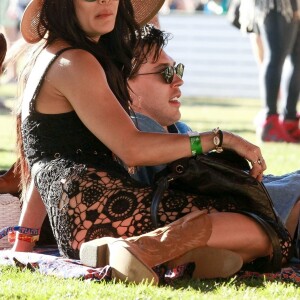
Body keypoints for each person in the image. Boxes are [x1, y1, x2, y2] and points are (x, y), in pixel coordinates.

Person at [6, 0, 292, 284]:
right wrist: (218, 139)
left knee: (243, 227)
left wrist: (25, 240)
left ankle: (170, 255)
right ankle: (144, 250)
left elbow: (43, 163)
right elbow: (132, 148)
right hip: (107, 213)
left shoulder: (53, 57)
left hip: (81, 225)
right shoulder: (77, 61)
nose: (106, 2)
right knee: (261, 229)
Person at [126, 24, 300, 253]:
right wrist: (221, 139)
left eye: (177, 69)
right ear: (126, 86)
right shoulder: (138, 130)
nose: (178, 80)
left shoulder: (172, 128)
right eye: (164, 72)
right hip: (271, 219)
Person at [240, 0, 300, 143]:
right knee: (276, 56)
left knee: (297, 59)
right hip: (276, 4)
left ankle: (289, 120)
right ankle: (270, 122)